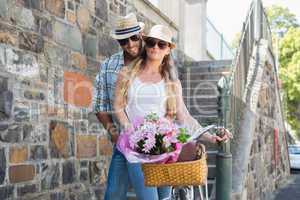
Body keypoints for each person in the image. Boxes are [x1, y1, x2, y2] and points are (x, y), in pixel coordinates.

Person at [114, 24, 231, 199]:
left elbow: (184, 118)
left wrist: (209, 136)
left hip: (164, 149)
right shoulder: (127, 73)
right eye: (152, 42)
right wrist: (130, 130)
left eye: (162, 44)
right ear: (146, 44)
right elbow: (118, 106)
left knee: (165, 198)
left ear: (168, 49)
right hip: (136, 148)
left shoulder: (172, 83)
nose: (155, 47)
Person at [93, 13, 170, 200]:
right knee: (113, 195)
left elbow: (172, 104)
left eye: (134, 38)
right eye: (123, 41)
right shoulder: (110, 65)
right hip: (123, 142)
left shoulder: (154, 57)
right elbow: (100, 105)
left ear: (141, 34)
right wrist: (115, 134)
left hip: (154, 145)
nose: (130, 44)